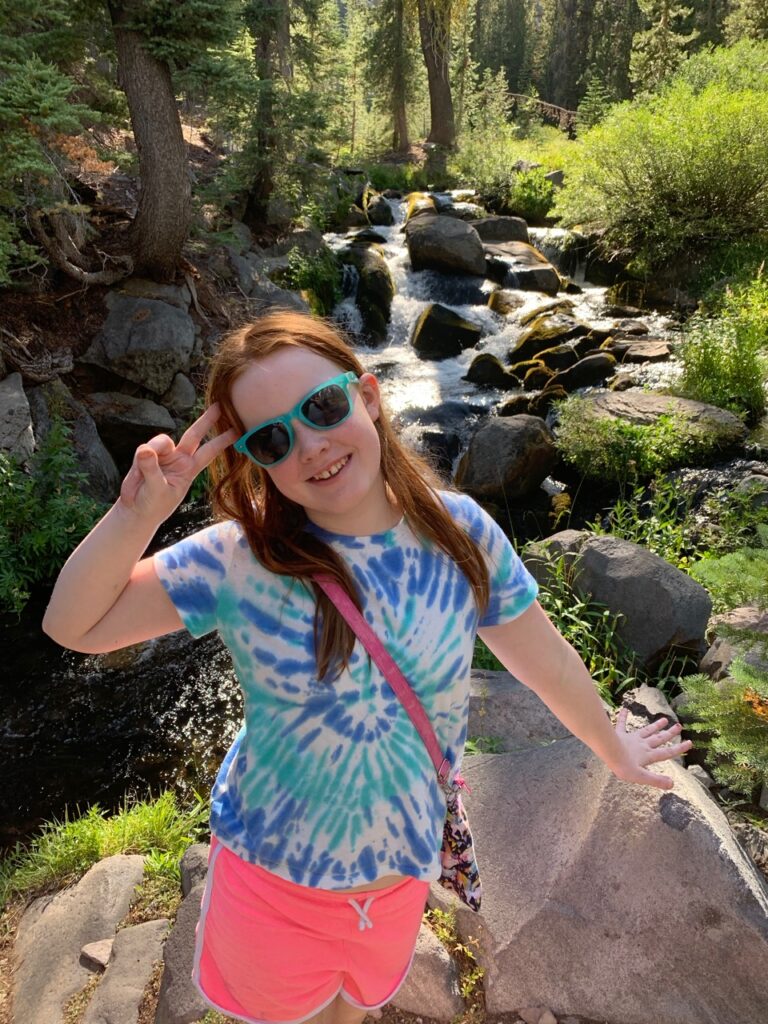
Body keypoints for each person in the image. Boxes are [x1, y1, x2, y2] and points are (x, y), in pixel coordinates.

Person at [43, 310, 692, 1024]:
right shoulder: (239, 560)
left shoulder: (461, 533)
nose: (311, 446)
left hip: (397, 882)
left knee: (352, 1012)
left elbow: (546, 663)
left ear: (370, 396)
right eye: (273, 439)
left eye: (322, 407)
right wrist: (143, 512)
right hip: (270, 893)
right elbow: (72, 626)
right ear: (257, 459)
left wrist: (611, 743)